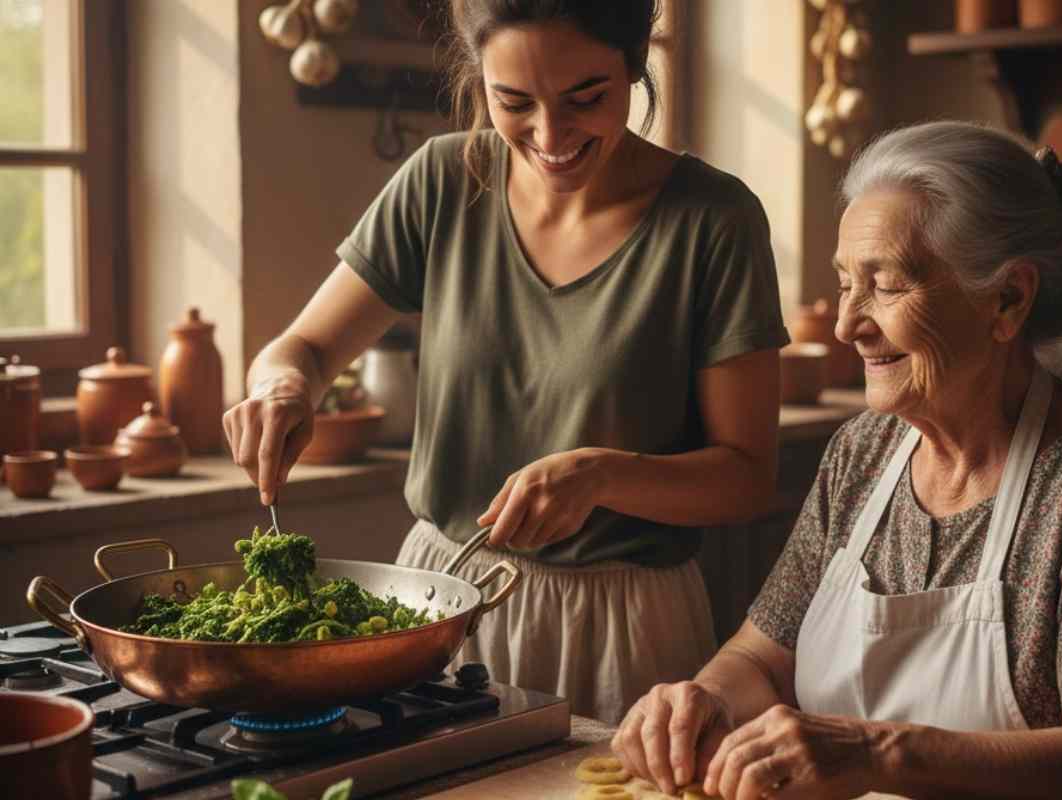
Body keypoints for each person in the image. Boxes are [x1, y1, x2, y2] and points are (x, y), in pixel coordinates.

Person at [222, 0, 790, 725]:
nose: (550, 137)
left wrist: (602, 474)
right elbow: (299, 349)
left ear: (634, 62)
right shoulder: (442, 181)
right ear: (477, 79)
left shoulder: (714, 220)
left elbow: (746, 479)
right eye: (513, 102)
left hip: (620, 626)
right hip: (438, 598)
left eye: (586, 98)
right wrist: (281, 390)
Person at [612, 121, 1062, 799]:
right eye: (844, 285)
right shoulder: (863, 449)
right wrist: (705, 700)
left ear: (1007, 299)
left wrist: (875, 751)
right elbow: (763, 657)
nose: (846, 325)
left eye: (885, 286)